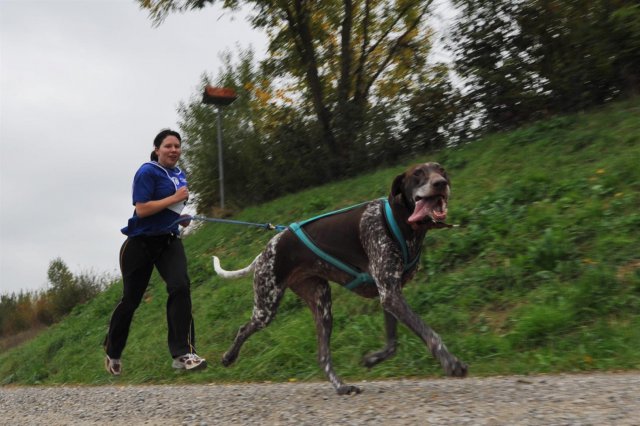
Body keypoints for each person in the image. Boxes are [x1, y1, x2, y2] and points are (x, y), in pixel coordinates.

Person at [103, 129, 206, 375]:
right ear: (157, 149)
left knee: (180, 286)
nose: (173, 150)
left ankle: (183, 354)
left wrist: (181, 218)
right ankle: (113, 350)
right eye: (168, 146)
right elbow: (142, 210)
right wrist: (173, 199)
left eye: (177, 146)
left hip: (168, 241)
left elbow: (171, 208)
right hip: (140, 243)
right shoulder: (147, 171)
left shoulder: (180, 174)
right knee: (131, 300)